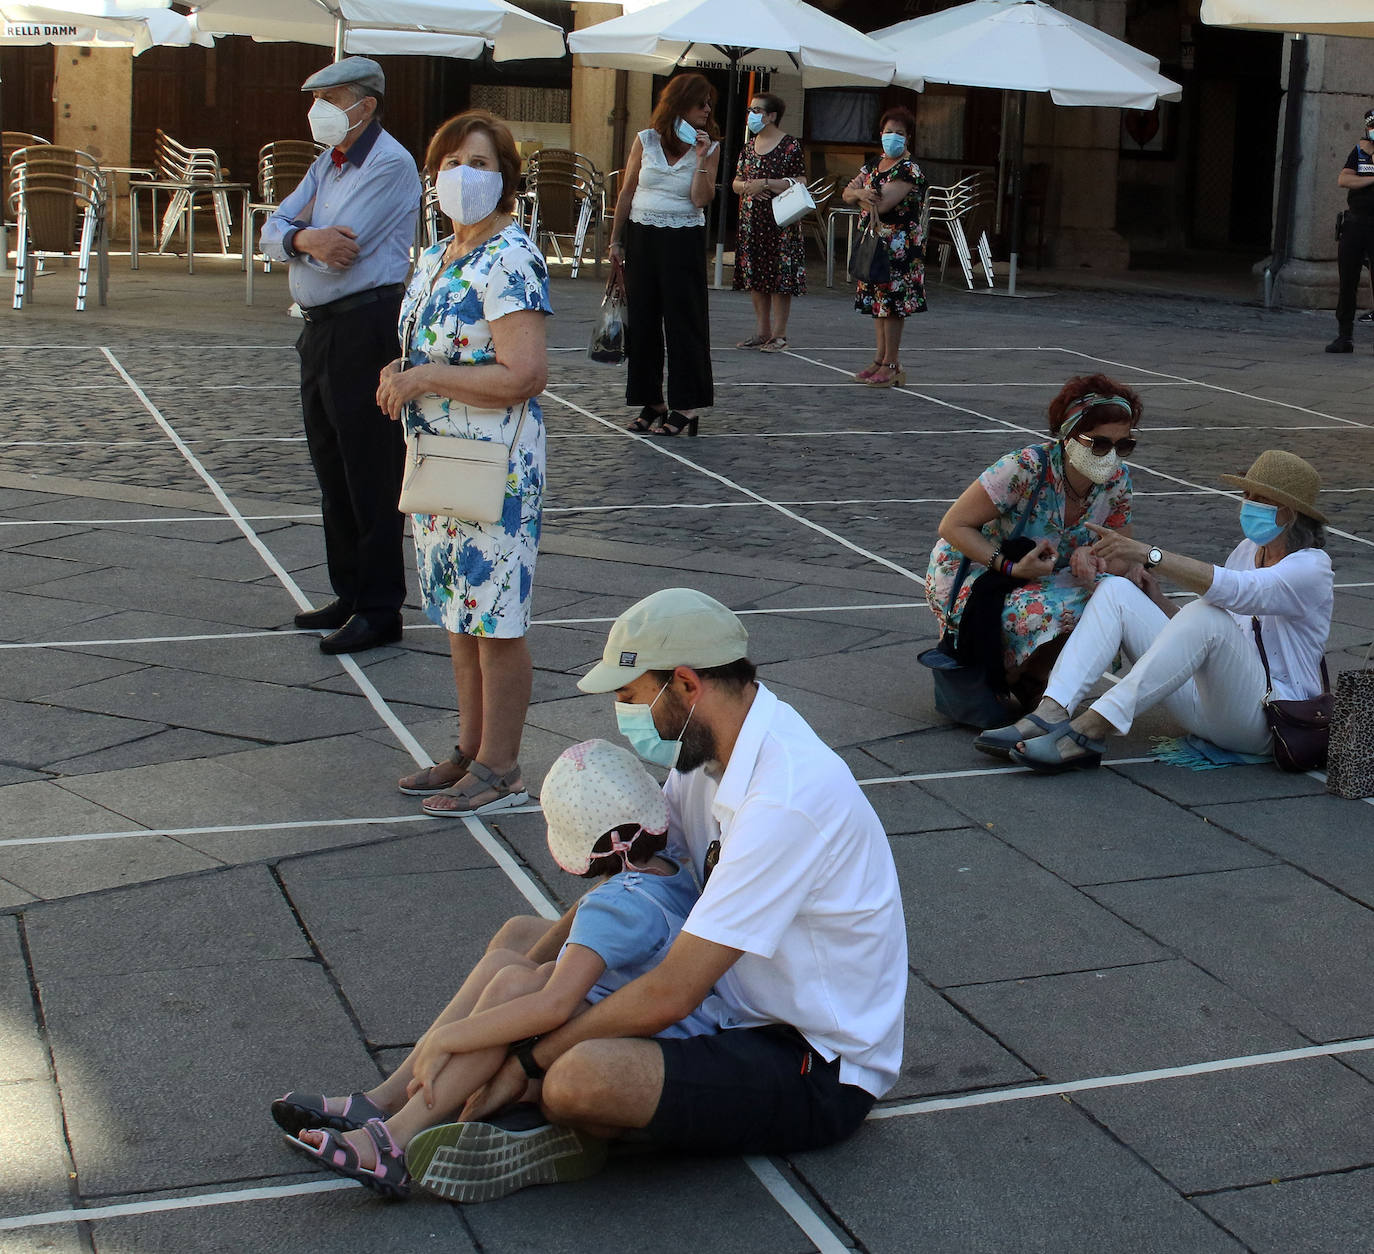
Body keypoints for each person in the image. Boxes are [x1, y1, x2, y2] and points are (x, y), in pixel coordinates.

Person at [401, 588, 908, 1201]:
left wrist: (526, 1058)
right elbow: (635, 879)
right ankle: (393, 1104)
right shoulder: (705, 752)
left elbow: (673, 992)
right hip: (730, 993)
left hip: (811, 1060)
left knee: (577, 1078)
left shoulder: (785, 800)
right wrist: (542, 978)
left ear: (687, 686)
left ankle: (542, 1109)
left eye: (631, 696)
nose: (623, 714)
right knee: (521, 940)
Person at [273, 738, 720, 1200]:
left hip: (654, 1040)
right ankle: (388, 1098)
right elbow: (580, 923)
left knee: (513, 986)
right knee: (516, 941)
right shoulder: (669, 867)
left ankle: (393, 1140)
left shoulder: (616, 907)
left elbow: (553, 1005)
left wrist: (450, 1038)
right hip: (685, 1019)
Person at [376, 111, 551, 817]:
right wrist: (404, 369)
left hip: (495, 461)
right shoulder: (438, 256)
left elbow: (523, 373)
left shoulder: (512, 256)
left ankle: (501, 765)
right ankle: (469, 749)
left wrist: (423, 380)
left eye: (478, 163)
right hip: (441, 458)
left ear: (505, 177)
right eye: (451, 161)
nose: (461, 175)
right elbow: (437, 350)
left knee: (497, 615)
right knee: (457, 609)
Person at [978, 450, 1334, 772]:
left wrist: (1149, 555)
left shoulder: (1312, 568)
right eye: (1246, 495)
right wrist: (1157, 600)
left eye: (1261, 499)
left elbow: (1239, 594)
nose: (1247, 505)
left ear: (1288, 513)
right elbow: (1221, 637)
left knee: (1207, 615)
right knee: (1117, 590)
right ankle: (1050, 712)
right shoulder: (1247, 550)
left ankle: (1091, 728)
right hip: (1212, 707)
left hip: (1268, 721)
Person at [261, 58, 421, 655]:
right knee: (331, 464)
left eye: (331, 98)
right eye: (316, 97)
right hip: (320, 328)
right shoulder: (325, 162)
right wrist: (301, 237)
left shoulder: (389, 163)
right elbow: (276, 228)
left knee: (370, 469)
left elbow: (343, 250)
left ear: (367, 105)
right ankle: (349, 589)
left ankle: (380, 606)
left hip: (365, 325)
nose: (318, 109)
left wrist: (298, 240)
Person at [927, 375, 1141, 736]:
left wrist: (1097, 555)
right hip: (983, 570)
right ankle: (1011, 675)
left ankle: (1038, 677)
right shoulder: (1025, 467)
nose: (1112, 456)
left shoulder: (1117, 481)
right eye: (1100, 443)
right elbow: (953, 525)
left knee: (1114, 598)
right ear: (1069, 435)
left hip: (1049, 577)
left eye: (1125, 445)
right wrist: (1009, 565)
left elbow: (1125, 550)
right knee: (1072, 608)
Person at [608, 74, 722, 437]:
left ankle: (686, 404)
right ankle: (650, 399)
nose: (707, 109)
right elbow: (626, 191)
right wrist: (615, 240)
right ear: (679, 104)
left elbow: (701, 199)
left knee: (683, 321)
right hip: (643, 235)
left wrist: (701, 158)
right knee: (642, 320)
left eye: (709, 104)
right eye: (700, 103)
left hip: (684, 238)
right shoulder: (647, 140)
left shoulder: (710, 147)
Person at [841, 106, 926, 388]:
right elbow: (847, 191)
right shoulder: (873, 164)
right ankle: (879, 358)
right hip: (874, 241)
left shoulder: (908, 169)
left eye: (899, 133)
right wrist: (860, 193)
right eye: (888, 132)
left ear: (908, 138)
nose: (892, 137)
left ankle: (892, 362)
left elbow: (884, 202)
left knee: (892, 304)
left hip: (898, 245)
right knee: (877, 302)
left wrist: (861, 196)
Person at [730, 91, 807, 353]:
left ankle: (779, 333)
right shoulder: (748, 147)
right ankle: (762, 330)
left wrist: (767, 184)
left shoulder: (789, 145)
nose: (752, 115)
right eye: (750, 110)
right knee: (755, 274)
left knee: (779, 277)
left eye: (757, 110)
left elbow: (800, 181)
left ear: (771, 115)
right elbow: (736, 182)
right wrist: (748, 187)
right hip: (752, 220)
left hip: (780, 221)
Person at [1326, 106, 1374, 354]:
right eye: (1371, 127)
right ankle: (1344, 335)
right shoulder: (1359, 152)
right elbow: (1344, 180)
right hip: (1355, 223)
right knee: (1348, 280)